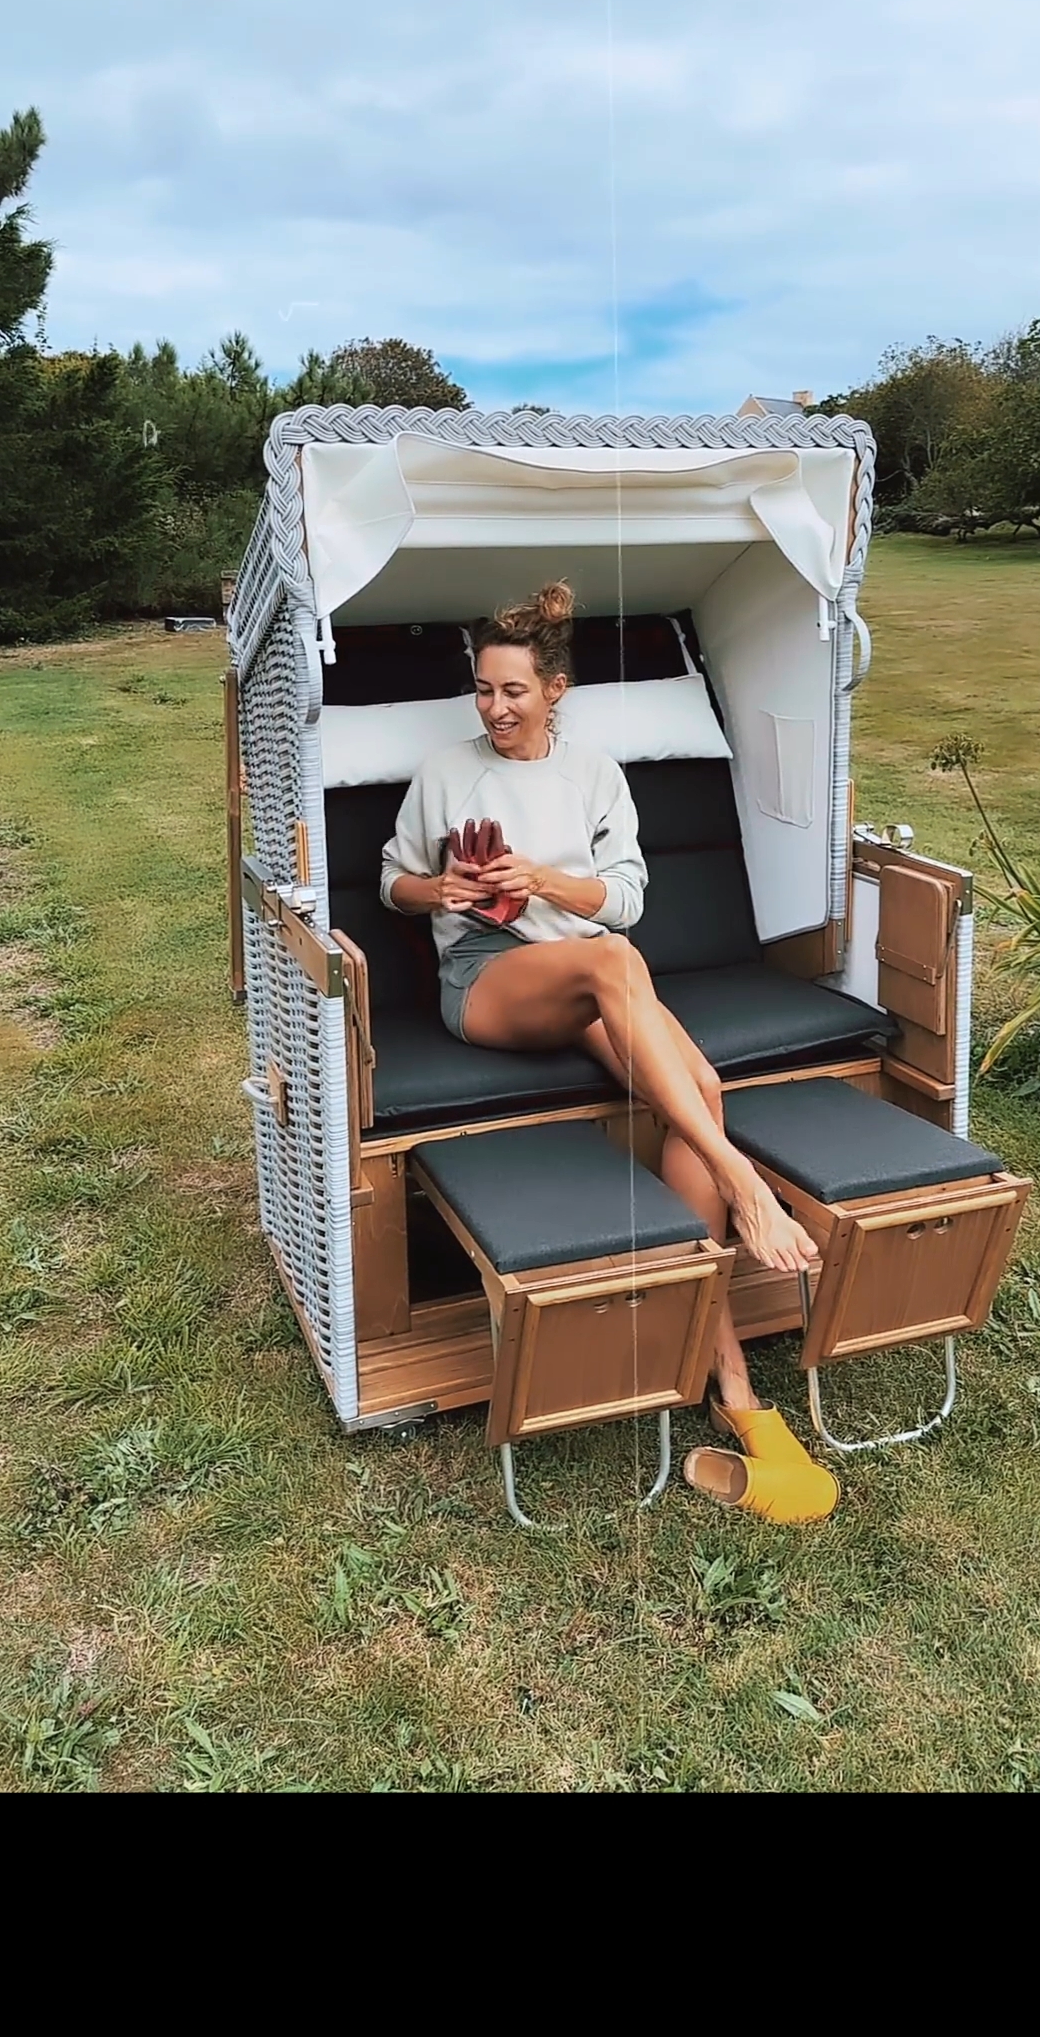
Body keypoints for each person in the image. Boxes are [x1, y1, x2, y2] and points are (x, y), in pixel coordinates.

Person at [381, 582, 838, 1520]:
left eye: (513, 691)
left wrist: (544, 880)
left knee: (697, 1084)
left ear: (555, 691)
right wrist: (445, 891)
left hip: (590, 972)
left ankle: (730, 1383)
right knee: (616, 969)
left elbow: (624, 900)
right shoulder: (446, 772)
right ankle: (745, 1186)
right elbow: (393, 879)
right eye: (483, 690)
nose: (495, 708)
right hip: (487, 977)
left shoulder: (595, 775)